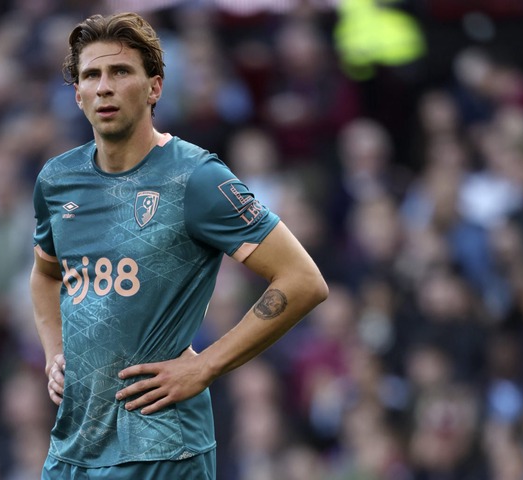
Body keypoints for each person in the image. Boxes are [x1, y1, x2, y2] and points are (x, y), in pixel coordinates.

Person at [29, 12, 329, 480]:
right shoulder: (57, 180)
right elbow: (46, 274)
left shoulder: (196, 177)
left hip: (162, 450)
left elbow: (303, 280)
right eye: (92, 75)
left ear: (155, 88)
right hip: (74, 450)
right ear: (78, 94)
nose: (104, 86)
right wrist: (53, 353)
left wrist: (205, 367)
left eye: (121, 71)